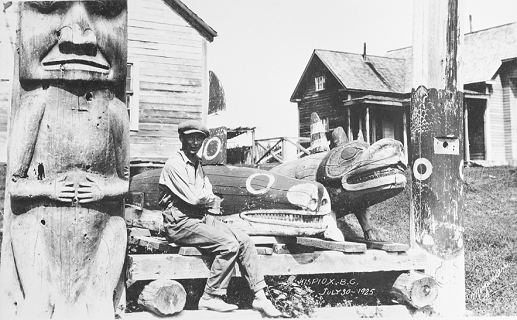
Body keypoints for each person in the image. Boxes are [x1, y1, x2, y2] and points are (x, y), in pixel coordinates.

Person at [158, 120, 282, 317]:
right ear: (181, 139)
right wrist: (206, 198)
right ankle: (210, 297)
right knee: (229, 245)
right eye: (190, 137)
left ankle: (260, 297)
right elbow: (197, 197)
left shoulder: (197, 163)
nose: (195, 142)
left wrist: (206, 197)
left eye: (199, 138)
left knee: (245, 241)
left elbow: (207, 195)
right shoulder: (175, 164)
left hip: (199, 217)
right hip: (179, 222)